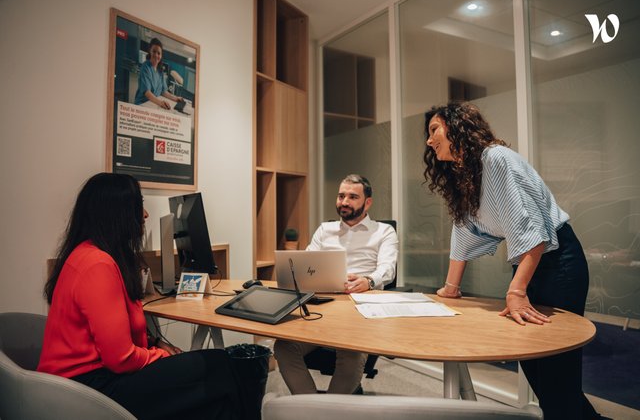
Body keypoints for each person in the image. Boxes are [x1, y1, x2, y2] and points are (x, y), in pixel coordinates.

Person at [422, 102, 602, 420]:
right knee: (534, 365)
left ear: (457, 127)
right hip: (528, 262)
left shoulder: (496, 159)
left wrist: (516, 291)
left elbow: (532, 229)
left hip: (558, 260)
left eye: (434, 130)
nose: (429, 140)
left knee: (557, 374)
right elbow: (462, 230)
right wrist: (451, 287)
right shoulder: (466, 173)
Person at [38, 173, 247, 420]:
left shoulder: (86, 254)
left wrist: (155, 344)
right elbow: (121, 359)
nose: (145, 215)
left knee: (210, 391)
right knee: (219, 365)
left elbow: (111, 336)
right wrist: (161, 355)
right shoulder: (97, 265)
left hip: (84, 380)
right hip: (87, 389)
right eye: (139, 206)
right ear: (117, 213)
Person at [274, 174, 398, 395]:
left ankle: (330, 409)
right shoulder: (325, 230)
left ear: (367, 202)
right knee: (283, 347)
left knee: (351, 353)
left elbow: (387, 269)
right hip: (322, 306)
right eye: (341, 196)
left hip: (360, 310)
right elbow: (306, 264)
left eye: (352, 196)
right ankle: (311, 406)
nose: (344, 202)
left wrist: (368, 281)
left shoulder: (383, 231)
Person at [134, 37, 183, 109]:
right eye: (154, 51)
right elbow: (147, 92)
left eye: (159, 53)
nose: (156, 55)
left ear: (161, 55)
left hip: (153, 103)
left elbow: (163, 92)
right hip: (143, 104)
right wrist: (160, 103)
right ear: (150, 51)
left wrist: (175, 98)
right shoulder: (145, 67)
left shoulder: (160, 71)